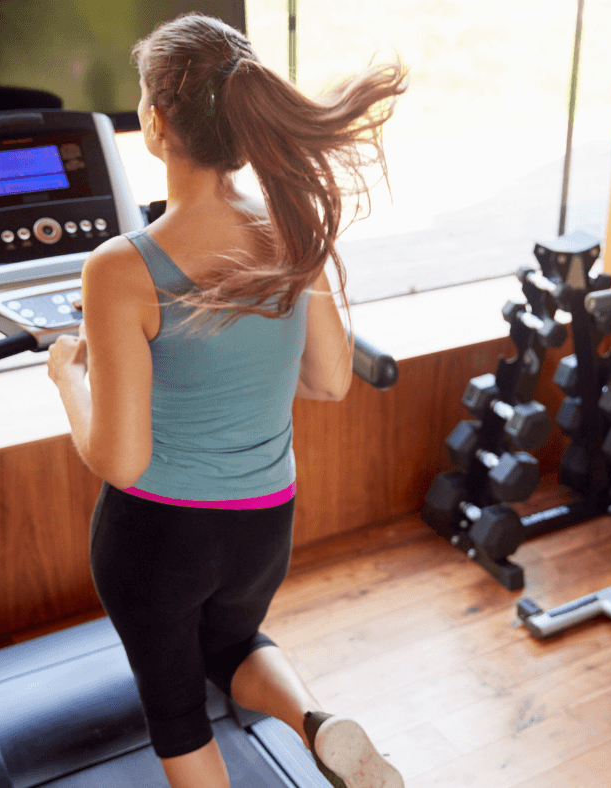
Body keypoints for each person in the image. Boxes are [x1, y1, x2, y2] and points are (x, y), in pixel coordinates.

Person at [45, 13, 406, 788]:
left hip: (157, 534)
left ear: (153, 121)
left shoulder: (121, 268)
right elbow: (331, 381)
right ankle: (319, 721)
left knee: (178, 718)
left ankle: (314, 726)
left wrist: (66, 378)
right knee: (231, 646)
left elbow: (119, 456)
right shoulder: (290, 229)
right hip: (264, 520)